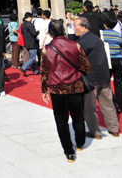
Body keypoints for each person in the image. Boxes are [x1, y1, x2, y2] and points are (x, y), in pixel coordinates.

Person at [40, 20, 90, 163]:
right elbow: (86, 66)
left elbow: (44, 72)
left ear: (50, 33)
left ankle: (68, 151)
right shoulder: (76, 45)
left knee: (61, 120)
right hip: (75, 86)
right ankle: (80, 142)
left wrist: (44, 90)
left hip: (57, 89)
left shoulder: (46, 50)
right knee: (78, 116)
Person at [75, 17, 120, 138]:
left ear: (83, 27)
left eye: (76, 26)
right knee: (107, 103)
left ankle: (95, 131)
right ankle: (114, 128)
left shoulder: (82, 42)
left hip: (90, 77)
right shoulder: (97, 39)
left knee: (89, 106)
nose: (74, 29)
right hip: (103, 75)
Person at [102, 11, 122, 113]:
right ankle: (120, 106)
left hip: (107, 61)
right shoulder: (119, 35)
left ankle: (113, 101)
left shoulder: (101, 35)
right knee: (118, 84)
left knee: (107, 83)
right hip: (119, 60)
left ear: (104, 24)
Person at [20, 12, 40, 76]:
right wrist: (38, 31)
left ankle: (35, 71)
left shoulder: (23, 24)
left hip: (27, 42)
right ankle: (24, 67)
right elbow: (34, 33)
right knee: (33, 58)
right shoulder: (29, 24)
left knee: (32, 57)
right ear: (29, 17)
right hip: (32, 43)